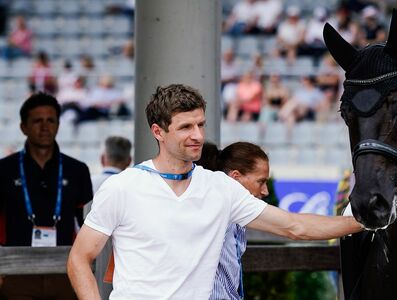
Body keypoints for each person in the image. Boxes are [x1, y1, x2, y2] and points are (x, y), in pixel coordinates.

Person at [66, 84, 363, 299]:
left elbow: (295, 226)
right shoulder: (122, 186)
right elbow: (80, 258)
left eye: (200, 124)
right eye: (185, 127)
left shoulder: (220, 187)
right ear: (158, 131)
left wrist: (361, 220)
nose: (197, 136)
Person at [0, 93, 94, 299]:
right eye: (37, 121)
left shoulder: (77, 170)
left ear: (59, 125)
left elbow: (88, 225)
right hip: (16, 276)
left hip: (65, 274)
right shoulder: (4, 169)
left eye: (51, 120)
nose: (45, 127)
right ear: (23, 127)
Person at [197, 142, 271, 299]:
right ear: (235, 178)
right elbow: (295, 227)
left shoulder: (232, 219)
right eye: (261, 181)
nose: (265, 191)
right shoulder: (215, 216)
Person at [88, 136, 132, 298]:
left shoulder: (89, 183)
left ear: (102, 158)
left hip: (92, 249)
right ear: (129, 160)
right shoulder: (134, 185)